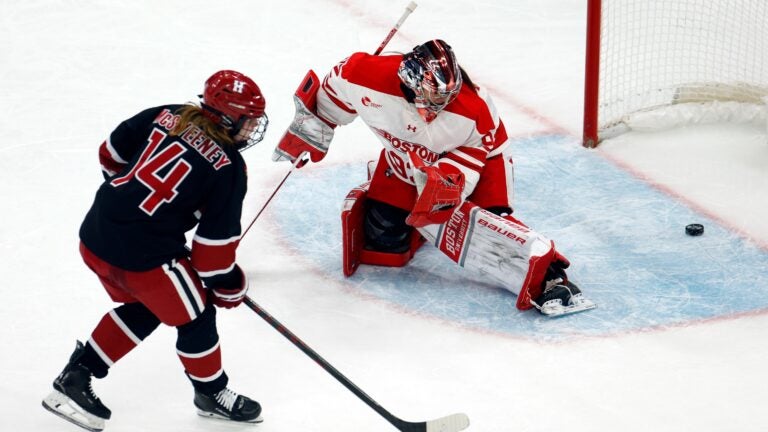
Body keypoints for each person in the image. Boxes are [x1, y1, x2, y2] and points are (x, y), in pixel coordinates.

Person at [272, 39, 595, 317]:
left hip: (481, 159)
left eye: (445, 99)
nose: (438, 107)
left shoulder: (474, 111)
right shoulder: (360, 73)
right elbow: (329, 102)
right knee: (383, 244)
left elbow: (476, 155)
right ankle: (414, 223)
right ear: (408, 82)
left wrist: (443, 189)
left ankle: (552, 279)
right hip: (404, 161)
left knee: (487, 228)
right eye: (431, 98)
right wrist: (309, 132)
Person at [42, 70, 269, 431]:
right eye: (248, 120)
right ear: (228, 116)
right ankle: (212, 394)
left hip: (96, 232)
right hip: (143, 255)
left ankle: (78, 373)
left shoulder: (168, 113)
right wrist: (229, 285)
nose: (252, 128)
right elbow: (212, 255)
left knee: (149, 305)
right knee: (196, 315)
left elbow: (111, 153)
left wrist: (132, 203)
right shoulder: (228, 167)